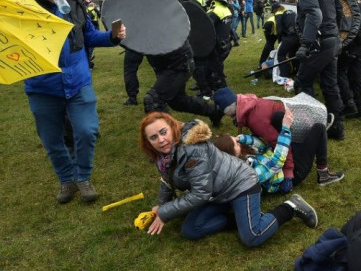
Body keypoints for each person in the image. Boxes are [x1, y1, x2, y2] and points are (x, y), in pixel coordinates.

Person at [22, 0, 126, 204]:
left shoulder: (74, 4)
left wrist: (112, 36)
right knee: (52, 139)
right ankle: (66, 180)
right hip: (42, 87)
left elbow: (88, 35)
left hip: (78, 82)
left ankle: (83, 177)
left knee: (87, 131)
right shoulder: (22, 9)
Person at [139, 112, 319, 246]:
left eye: (164, 132)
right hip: (216, 192)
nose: (161, 140)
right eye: (154, 137)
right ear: (148, 141)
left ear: (172, 127)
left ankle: (291, 207)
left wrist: (164, 213)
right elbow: (167, 180)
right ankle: (242, 218)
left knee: (252, 237)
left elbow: (200, 193)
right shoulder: (162, 156)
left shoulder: (193, 149)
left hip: (240, 184)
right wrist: (161, 205)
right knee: (190, 230)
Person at [131, 0, 223, 127]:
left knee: (153, 100)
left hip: (179, 64)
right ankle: (214, 111)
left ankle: (172, 140)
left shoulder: (167, 9)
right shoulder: (146, 9)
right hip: (164, 64)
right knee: (177, 101)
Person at [213, 86, 344, 187]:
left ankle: (316, 142)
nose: (237, 140)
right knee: (319, 128)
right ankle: (323, 174)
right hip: (290, 170)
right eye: (235, 143)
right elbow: (276, 156)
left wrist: (242, 138)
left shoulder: (255, 122)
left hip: (284, 157)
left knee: (280, 120)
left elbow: (272, 143)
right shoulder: (252, 104)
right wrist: (288, 172)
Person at [283, 0, 345, 140]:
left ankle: (314, 129)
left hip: (318, 43)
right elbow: (339, 11)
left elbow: (314, 14)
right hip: (332, 40)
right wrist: (334, 33)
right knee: (330, 85)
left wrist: (306, 44)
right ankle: (337, 128)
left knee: (303, 81)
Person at [213, 106, 295, 194]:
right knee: (309, 135)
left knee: (278, 117)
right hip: (281, 180)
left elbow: (262, 146)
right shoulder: (247, 174)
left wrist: (244, 139)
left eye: (235, 139)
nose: (238, 142)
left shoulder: (241, 157)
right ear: (231, 154)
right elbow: (276, 163)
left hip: (275, 158)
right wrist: (285, 129)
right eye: (236, 143)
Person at [122, 0, 144, 105]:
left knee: (160, 68)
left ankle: (161, 96)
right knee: (130, 69)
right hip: (134, 39)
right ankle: (132, 97)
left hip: (149, 37)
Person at [273, 1, 300, 78]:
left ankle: (284, 74)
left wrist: (280, 40)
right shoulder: (291, 11)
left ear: (275, 9)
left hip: (289, 37)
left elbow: (279, 29)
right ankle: (297, 72)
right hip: (298, 36)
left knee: (281, 54)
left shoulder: (279, 13)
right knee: (294, 54)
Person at [257, 0, 279, 77]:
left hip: (270, 29)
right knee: (270, 46)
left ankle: (263, 62)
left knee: (268, 46)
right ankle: (269, 63)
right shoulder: (275, 16)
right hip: (270, 29)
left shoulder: (274, 15)